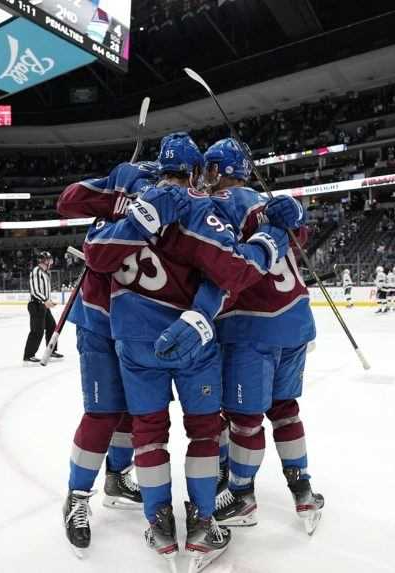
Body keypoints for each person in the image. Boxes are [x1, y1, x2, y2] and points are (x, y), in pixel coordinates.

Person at [84, 133, 289, 573]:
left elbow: (93, 252)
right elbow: (234, 271)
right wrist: (274, 236)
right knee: (202, 430)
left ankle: (159, 523)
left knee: (148, 431)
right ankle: (201, 525)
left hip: (133, 341)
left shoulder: (127, 201)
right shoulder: (202, 209)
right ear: (198, 172)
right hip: (191, 339)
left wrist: (130, 208)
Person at [199, 138, 324, 535]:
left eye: (208, 171)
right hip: (297, 321)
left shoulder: (221, 205)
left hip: (253, 326)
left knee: (245, 420)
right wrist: (298, 217)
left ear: (218, 171)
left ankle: (241, 496)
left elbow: (219, 263)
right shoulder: (267, 204)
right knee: (285, 409)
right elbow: (297, 237)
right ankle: (302, 490)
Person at [55, 162, 160, 556]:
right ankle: (77, 495)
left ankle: (117, 478)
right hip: (100, 320)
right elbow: (68, 201)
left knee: (133, 412)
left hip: (139, 324)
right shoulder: (130, 175)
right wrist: (119, 199)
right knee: (102, 412)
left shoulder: (177, 193)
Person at [23, 251, 62, 365]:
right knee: (37, 331)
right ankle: (28, 355)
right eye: (49, 259)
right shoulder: (36, 271)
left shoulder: (45, 273)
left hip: (43, 305)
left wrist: (48, 301)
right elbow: (35, 291)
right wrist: (46, 300)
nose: (51, 262)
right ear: (44, 260)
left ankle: (51, 351)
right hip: (36, 305)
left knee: (52, 327)